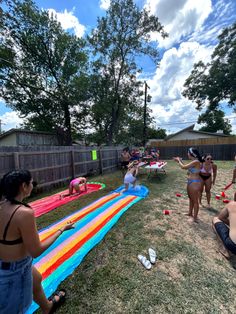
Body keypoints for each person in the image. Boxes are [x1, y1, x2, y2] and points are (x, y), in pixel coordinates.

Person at [0, 170, 74, 314]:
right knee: (18, 308)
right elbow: (36, 251)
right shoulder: (24, 213)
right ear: (24, 186)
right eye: (31, 182)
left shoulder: (2, 205)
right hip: (16, 269)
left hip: (7, 262)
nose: (33, 185)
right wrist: (61, 230)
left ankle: (47, 307)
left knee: (37, 278)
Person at [173, 147, 202, 223]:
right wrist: (180, 161)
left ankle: (195, 218)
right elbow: (187, 167)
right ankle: (190, 213)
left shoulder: (196, 161)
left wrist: (179, 160)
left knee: (195, 201)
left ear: (191, 153)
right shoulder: (194, 161)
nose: (187, 154)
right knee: (191, 198)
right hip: (191, 182)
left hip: (194, 183)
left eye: (188, 152)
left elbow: (183, 167)